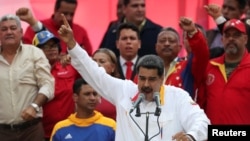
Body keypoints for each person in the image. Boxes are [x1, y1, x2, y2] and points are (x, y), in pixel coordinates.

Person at [58, 14, 210, 141]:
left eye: (152, 79)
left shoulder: (178, 97)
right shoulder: (124, 91)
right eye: (142, 78)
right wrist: (72, 44)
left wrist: (191, 136)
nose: (145, 84)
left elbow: (202, 122)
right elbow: (93, 72)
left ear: (161, 78)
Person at [0, 14, 54, 141]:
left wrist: (34, 106)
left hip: (31, 130)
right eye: (4, 29)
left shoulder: (34, 53)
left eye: (13, 28)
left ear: (21, 32)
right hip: (2, 132)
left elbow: (47, 84)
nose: (9, 32)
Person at [197, 19, 250, 124]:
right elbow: (201, 103)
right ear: (222, 39)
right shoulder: (210, 66)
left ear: (245, 39)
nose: (231, 39)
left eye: (236, 35)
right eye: (227, 35)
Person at [32, 30, 81, 140]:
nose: (52, 49)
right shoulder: (30, 71)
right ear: (36, 51)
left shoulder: (69, 67)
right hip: (40, 132)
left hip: (68, 131)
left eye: (54, 45)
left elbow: (92, 68)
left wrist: (73, 58)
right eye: (46, 46)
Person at [155, 18, 209, 99]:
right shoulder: (147, 68)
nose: (166, 44)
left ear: (180, 47)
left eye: (171, 41)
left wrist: (192, 32)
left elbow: (201, 54)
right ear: (156, 47)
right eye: (162, 41)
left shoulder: (188, 67)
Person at [50, 78, 116, 141]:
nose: (92, 98)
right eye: (87, 94)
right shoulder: (60, 128)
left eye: (95, 94)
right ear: (75, 97)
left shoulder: (111, 126)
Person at [21, 0, 92, 55]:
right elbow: (27, 53)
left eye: (72, 14)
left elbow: (89, 58)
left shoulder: (80, 31)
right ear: (55, 10)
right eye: (65, 14)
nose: (69, 18)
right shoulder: (34, 28)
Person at [93, 48, 121, 120]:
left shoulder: (120, 88)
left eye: (102, 61)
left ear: (113, 67)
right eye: (93, 61)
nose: (97, 64)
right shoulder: (83, 86)